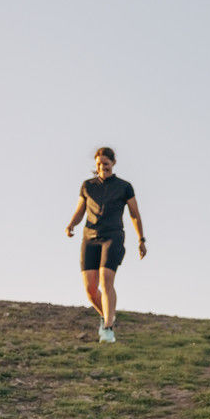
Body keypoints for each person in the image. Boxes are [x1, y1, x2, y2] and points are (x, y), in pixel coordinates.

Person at [65, 147, 147, 343]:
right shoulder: (87, 186)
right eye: (99, 164)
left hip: (113, 236)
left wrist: (141, 239)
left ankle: (108, 327)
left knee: (105, 278)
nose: (103, 167)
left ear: (113, 163)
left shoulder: (124, 186)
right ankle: (107, 315)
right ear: (96, 165)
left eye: (106, 163)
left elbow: (134, 214)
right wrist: (71, 225)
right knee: (90, 288)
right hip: (90, 237)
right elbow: (80, 210)